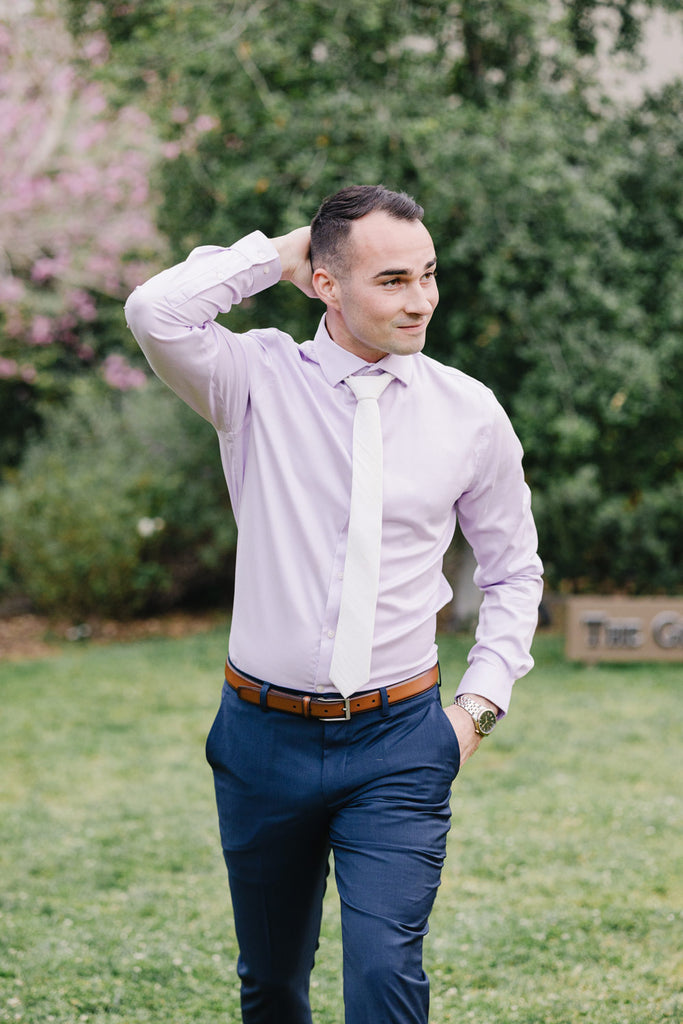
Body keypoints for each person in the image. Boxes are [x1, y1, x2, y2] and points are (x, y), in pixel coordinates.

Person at [125, 184, 543, 1024]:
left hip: (400, 741)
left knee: (386, 977)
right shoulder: (252, 380)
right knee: (272, 982)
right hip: (260, 739)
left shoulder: (468, 413)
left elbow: (513, 571)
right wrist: (291, 249)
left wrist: (478, 706)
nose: (420, 299)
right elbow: (155, 310)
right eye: (391, 279)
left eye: (427, 274)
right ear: (324, 284)